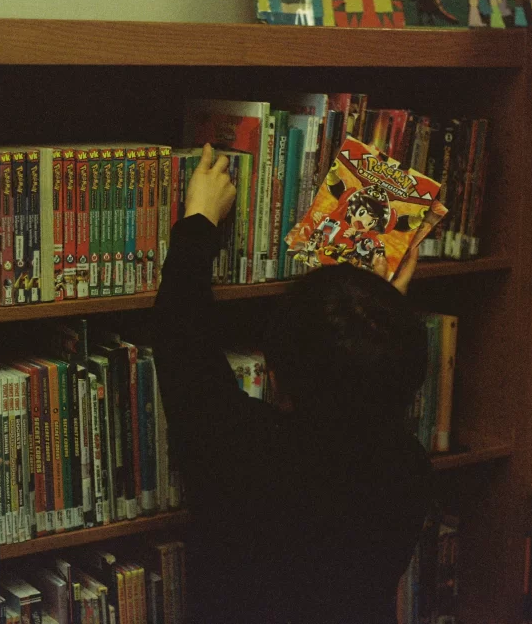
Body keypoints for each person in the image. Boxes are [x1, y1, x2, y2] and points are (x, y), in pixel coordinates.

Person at [152, 144, 433, 623]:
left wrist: (198, 219)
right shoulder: (406, 469)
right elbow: (370, 380)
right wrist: (378, 311)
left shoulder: (239, 452)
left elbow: (182, 337)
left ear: (274, 373)